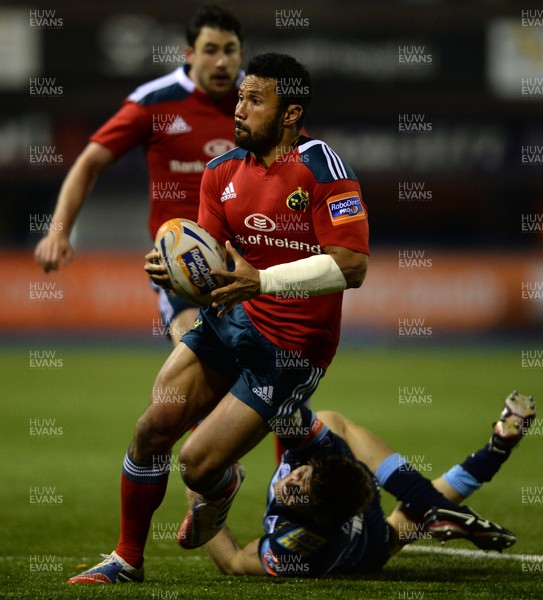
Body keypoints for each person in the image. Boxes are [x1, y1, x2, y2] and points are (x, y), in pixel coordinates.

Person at [66, 52, 370, 585]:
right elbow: (208, 260)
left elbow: (353, 266)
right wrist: (172, 270)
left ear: (291, 113)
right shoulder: (220, 172)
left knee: (197, 466)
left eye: (256, 100)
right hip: (231, 322)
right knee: (151, 429)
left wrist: (265, 281)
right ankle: (126, 560)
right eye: (240, 98)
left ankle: (219, 484)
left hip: (292, 350)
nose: (240, 109)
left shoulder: (321, 167)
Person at [34, 3, 245, 344]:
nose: (221, 62)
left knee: (262, 389)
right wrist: (58, 232)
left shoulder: (259, 101)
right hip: (182, 264)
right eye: (210, 51)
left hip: (251, 263)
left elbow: (299, 168)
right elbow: (89, 164)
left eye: (229, 51)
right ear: (189, 53)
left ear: (241, 53)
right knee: (196, 355)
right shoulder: (154, 102)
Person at [201, 390, 536, 577]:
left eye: (301, 491)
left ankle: (446, 498)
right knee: (331, 422)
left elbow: (233, 562)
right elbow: (282, 405)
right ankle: (492, 455)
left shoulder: (298, 547)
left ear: (318, 517)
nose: (289, 484)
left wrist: (202, 496)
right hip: (372, 530)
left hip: (364, 554)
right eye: (300, 475)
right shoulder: (327, 458)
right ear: (313, 464)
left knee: (408, 520)